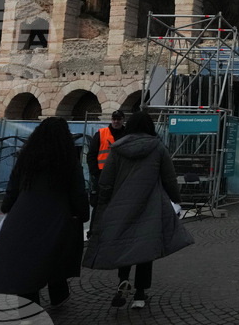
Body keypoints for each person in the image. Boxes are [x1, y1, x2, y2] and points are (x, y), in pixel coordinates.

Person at [83, 110, 194, 309]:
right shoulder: (157, 147)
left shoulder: (116, 149)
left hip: (121, 203)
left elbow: (106, 182)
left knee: (124, 243)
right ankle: (140, 294)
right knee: (145, 246)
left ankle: (123, 279)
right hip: (149, 204)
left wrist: (103, 203)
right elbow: (169, 177)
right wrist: (177, 199)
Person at [0, 117, 90, 307]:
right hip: (57, 217)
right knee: (56, 254)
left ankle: (31, 301)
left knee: (28, 257)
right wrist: (83, 214)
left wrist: (7, 207)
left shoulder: (27, 158)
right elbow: (78, 192)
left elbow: (13, 186)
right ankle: (58, 293)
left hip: (24, 215)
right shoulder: (68, 161)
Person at [87, 110, 126, 191]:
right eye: (114, 119)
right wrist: (95, 172)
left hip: (122, 173)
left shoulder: (128, 134)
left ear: (123, 120)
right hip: (102, 173)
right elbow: (91, 154)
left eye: (118, 119)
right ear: (111, 119)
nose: (116, 121)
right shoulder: (101, 133)